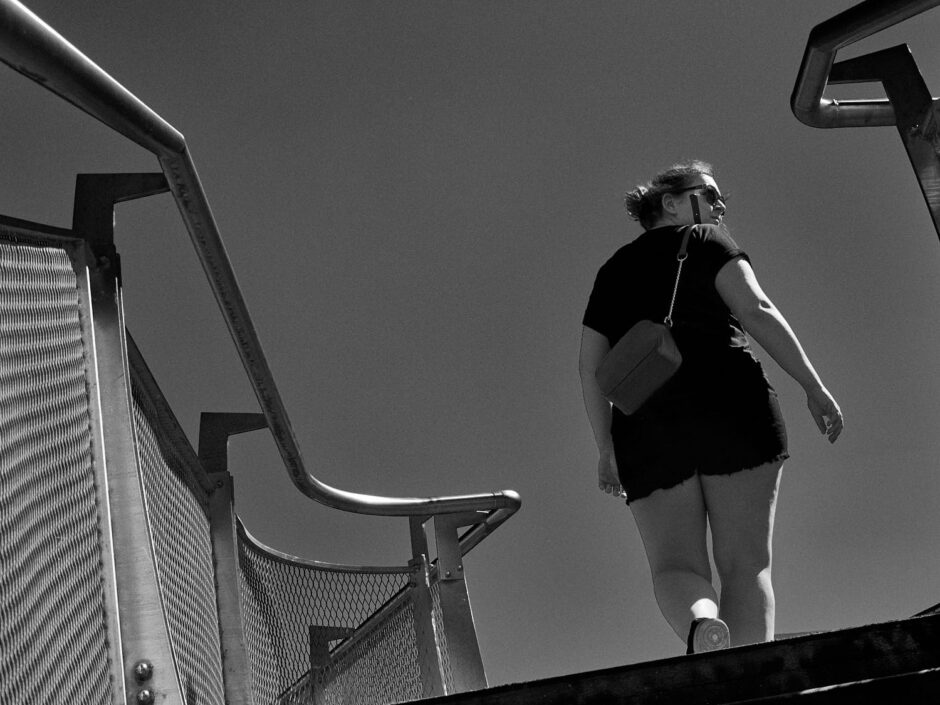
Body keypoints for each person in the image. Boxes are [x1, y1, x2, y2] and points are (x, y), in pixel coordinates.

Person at [578, 160, 843, 654]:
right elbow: (756, 310)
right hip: (735, 409)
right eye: (711, 194)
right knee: (748, 565)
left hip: (648, 428)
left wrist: (606, 448)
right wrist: (813, 385)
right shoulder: (707, 242)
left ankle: (703, 628)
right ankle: (752, 674)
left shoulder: (612, 272)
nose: (721, 206)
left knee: (675, 566)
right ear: (672, 202)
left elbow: (590, 369)